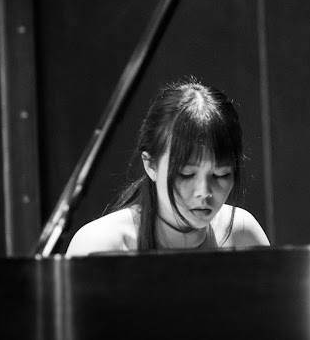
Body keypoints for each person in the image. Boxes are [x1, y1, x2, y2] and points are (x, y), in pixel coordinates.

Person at [66, 78, 270, 256]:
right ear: (150, 164)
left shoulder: (241, 233)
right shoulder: (100, 244)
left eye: (220, 174)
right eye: (186, 174)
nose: (204, 192)